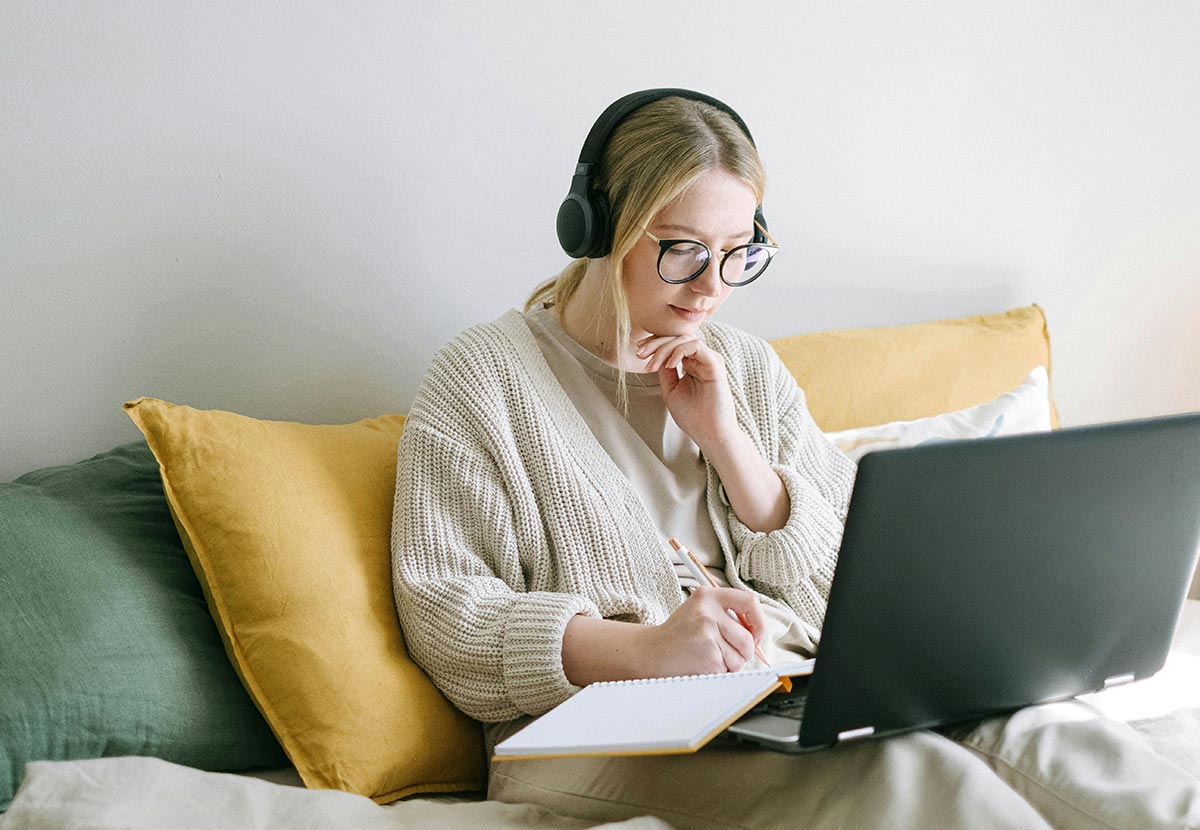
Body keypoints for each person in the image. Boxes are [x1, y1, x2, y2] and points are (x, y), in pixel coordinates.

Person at [391, 89, 1200, 829]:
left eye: (737, 251)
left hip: (787, 694)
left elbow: (857, 573)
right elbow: (446, 614)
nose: (711, 288)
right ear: (600, 230)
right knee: (918, 781)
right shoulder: (482, 379)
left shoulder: (742, 368)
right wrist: (642, 651)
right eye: (682, 250)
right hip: (587, 738)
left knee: (1052, 739)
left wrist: (731, 446)